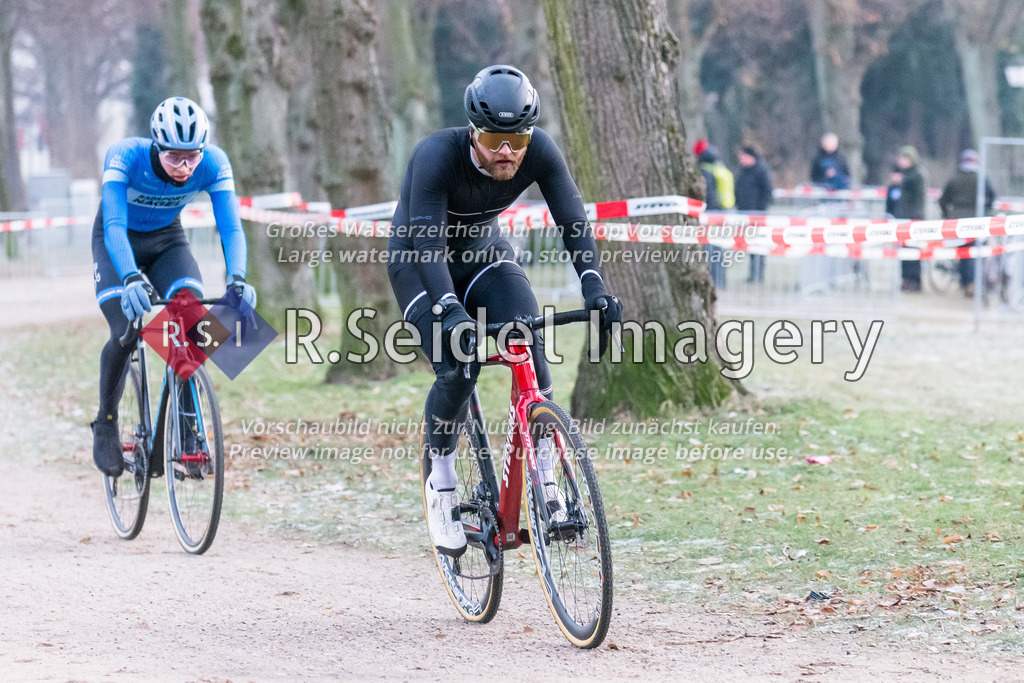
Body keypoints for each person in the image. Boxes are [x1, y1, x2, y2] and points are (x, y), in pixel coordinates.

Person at [387, 65, 622, 556]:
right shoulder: (435, 156)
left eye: (517, 139)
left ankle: (547, 479)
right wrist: (448, 309)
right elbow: (427, 245)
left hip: (484, 256)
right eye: (494, 137)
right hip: (419, 262)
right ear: (474, 130)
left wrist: (595, 285)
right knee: (457, 367)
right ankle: (442, 480)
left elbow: (572, 217)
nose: (507, 152)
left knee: (527, 333)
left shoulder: (537, 150)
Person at [90, 97, 256, 477]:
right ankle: (106, 421)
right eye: (175, 158)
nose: (185, 167)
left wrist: (238, 279)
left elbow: (230, 227)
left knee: (195, 327)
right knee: (126, 330)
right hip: (116, 241)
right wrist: (130, 276)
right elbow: (114, 224)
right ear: (156, 146)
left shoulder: (214, 162)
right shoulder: (124, 156)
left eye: (192, 157)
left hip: (168, 242)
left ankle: (186, 428)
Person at [939, 149, 996, 295]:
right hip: (976, 221)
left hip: (957, 221)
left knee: (963, 253)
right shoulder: (982, 179)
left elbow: (943, 199)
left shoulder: (954, 179)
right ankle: (970, 283)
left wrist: (947, 215)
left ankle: (965, 282)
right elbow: (993, 196)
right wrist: (986, 213)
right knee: (973, 254)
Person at [694, 139, 734, 288]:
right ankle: (720, 281)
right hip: (721, 212)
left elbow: (709, 195)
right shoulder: (718, 166)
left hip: (711, 214)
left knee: (712, 250)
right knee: (718, 249)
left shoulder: (705, 171)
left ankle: (716, 281)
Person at [734, 145, 774, 283]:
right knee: (750, 244)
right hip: (744, 213)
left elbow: (767, 191)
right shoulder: (743, 171)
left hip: (757, 214)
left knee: (758, 244)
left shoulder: (761, 170)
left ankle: (758, 274)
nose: (740, 159)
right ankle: (753, 274)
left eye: (742, 156)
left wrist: (760, 210)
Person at [894, 145, 926, 292]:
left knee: (913, 252)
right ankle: (906, 280)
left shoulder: (917, 175)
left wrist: (902, 180)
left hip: (914, 218)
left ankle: (913, 281)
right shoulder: (906, 175)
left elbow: (914, 190)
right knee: (905, 252)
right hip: (904, 219)